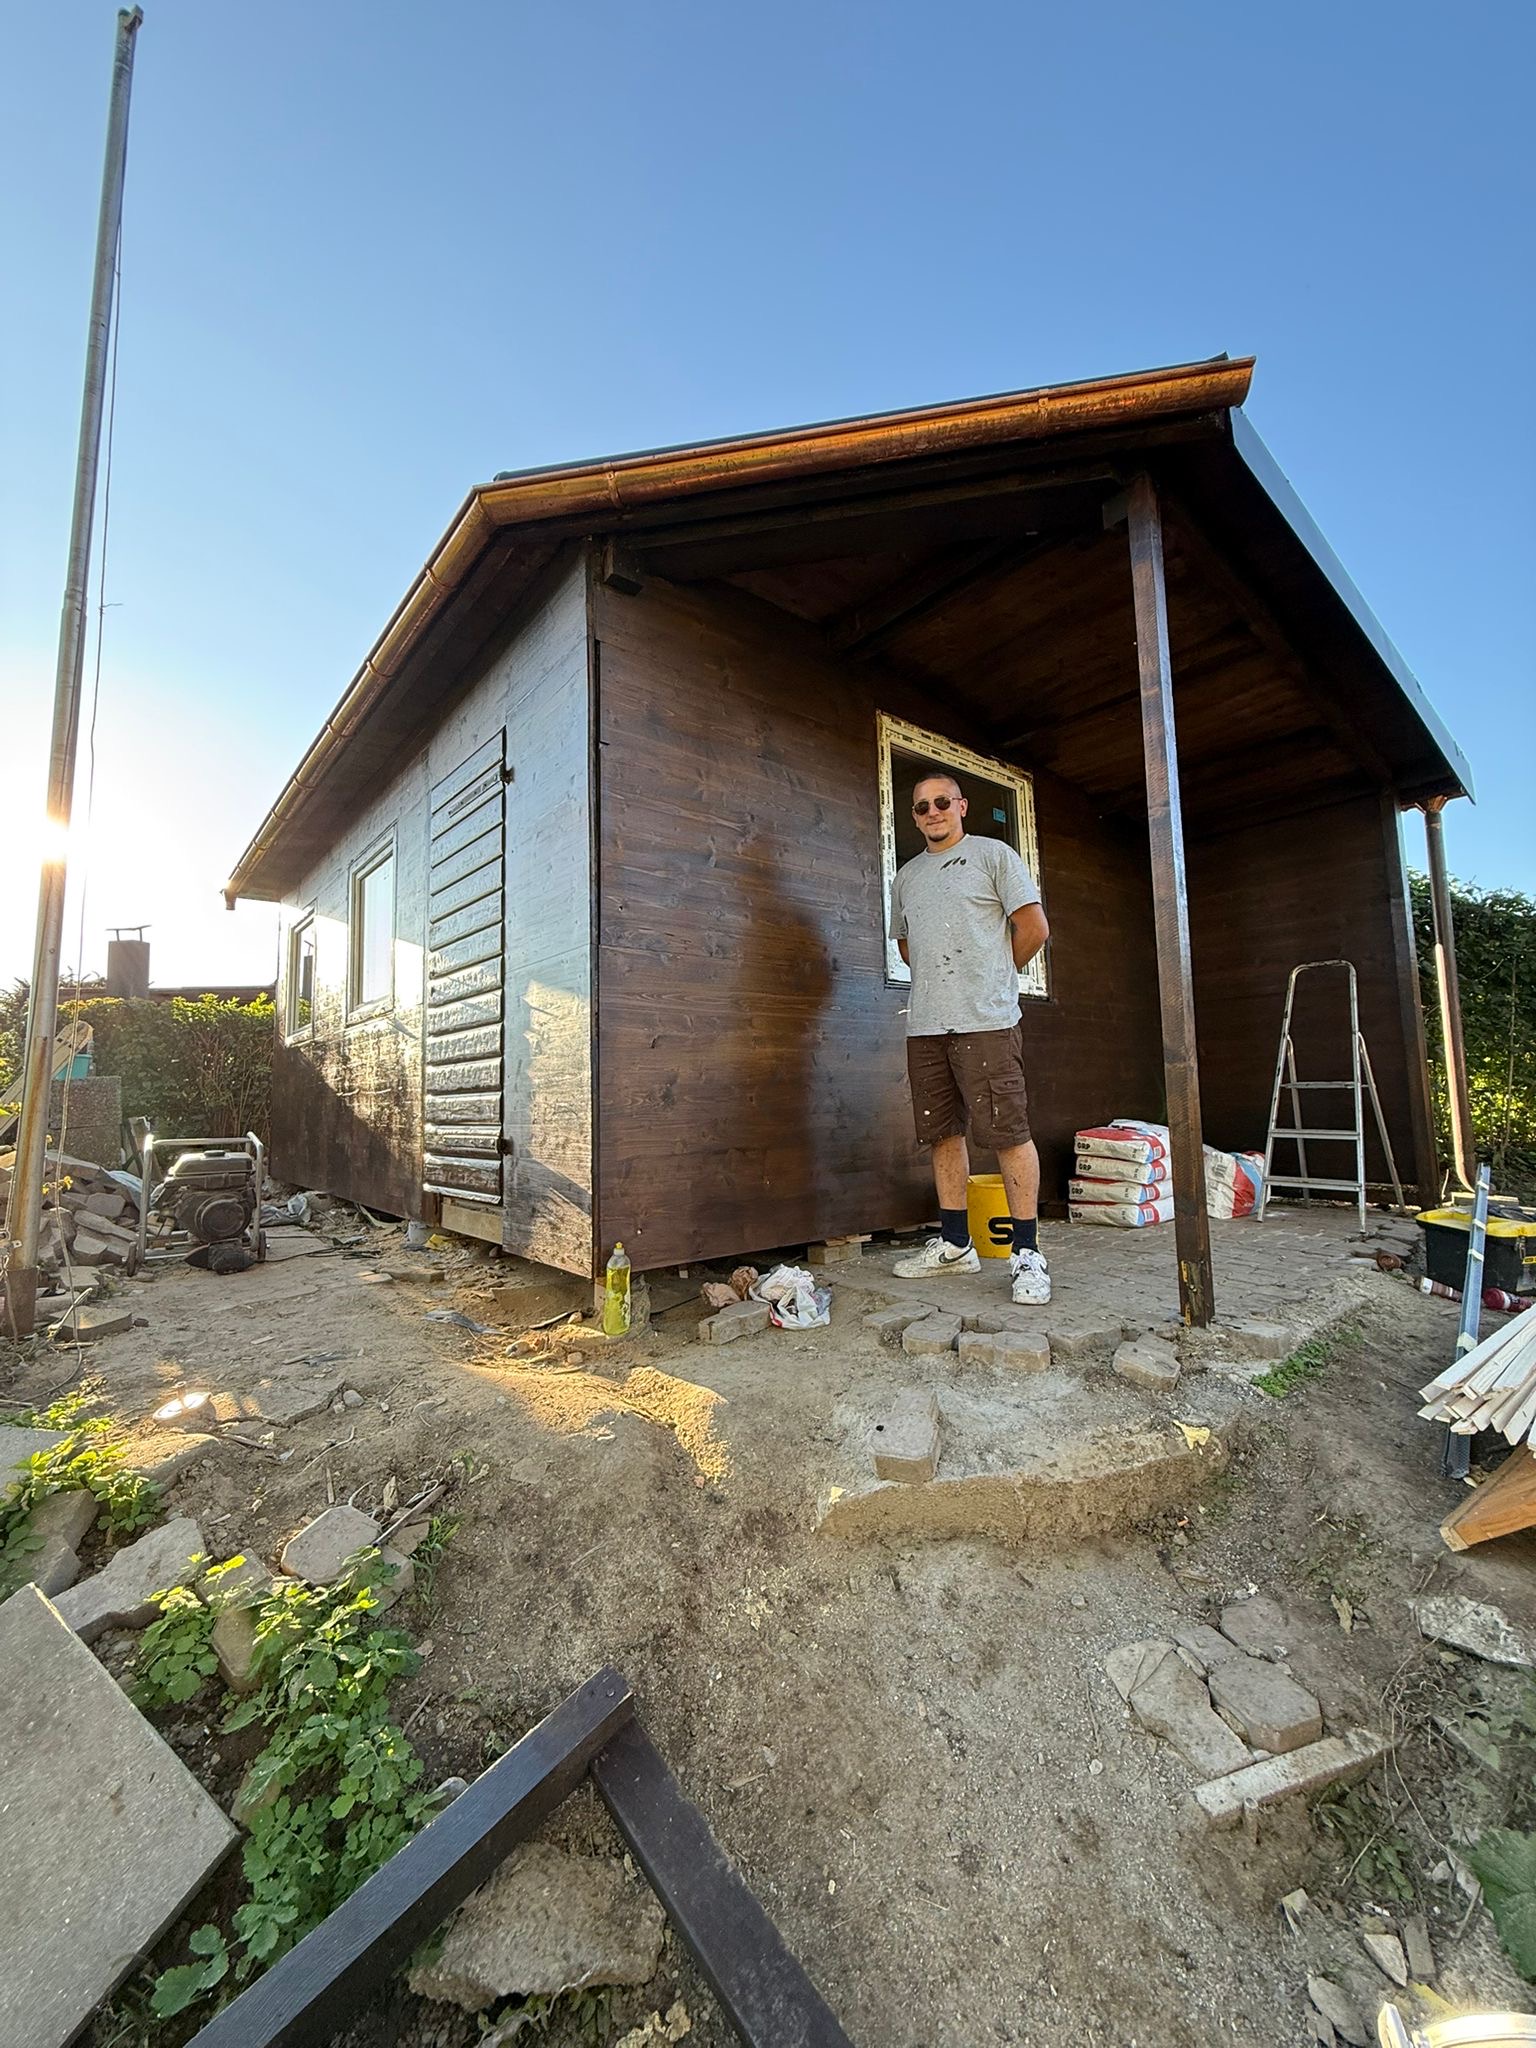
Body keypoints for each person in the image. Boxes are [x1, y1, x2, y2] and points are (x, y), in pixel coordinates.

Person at [888, 770, 1051, 1305]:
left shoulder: (994, 855)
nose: (932, 812)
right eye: (920, 807)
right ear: (913, 817)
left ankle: (1027, 1253)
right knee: (942, 1134)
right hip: (927, 1024)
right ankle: (955, 1244)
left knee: (1008, 1132)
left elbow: (1034, 928)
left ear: (961, 806)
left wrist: (996, 980)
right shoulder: (907, 877)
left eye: (941, 802)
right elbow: (909, 948)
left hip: (987, 1021)